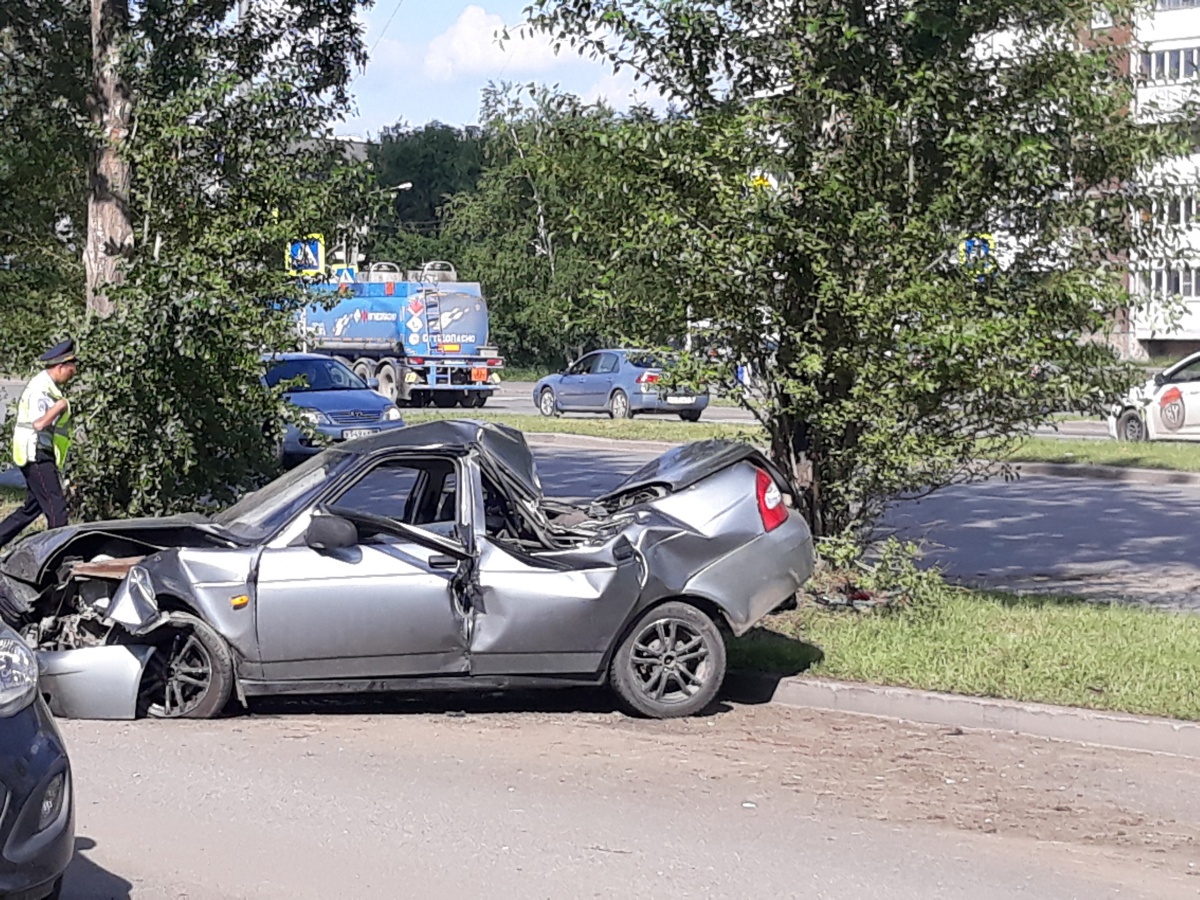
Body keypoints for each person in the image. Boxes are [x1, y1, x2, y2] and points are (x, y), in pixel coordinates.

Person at [0, 340, 78, 549]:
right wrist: (61, 406)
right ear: (61, 366)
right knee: (56, 506)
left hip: (39, 451)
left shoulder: (49, 387)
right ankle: (59, 555)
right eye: (72, 369)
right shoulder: (40, 389)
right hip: (35, 453)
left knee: (32, 508)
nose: (74, 373)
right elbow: (39, 423)